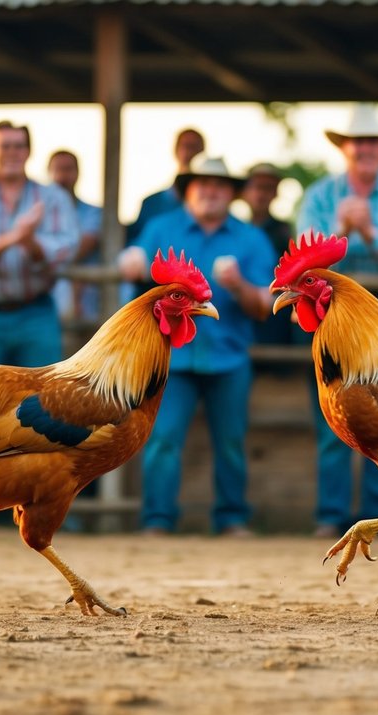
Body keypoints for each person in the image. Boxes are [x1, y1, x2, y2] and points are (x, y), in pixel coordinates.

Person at [119, 155, 275, 536]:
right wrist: (131, 260)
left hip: (229, 357)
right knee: (163, 440)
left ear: (231, 194)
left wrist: (238, 285)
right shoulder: (159, 227)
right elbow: (132, 262)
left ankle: (231, 518)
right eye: (202, 184)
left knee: (232, 442)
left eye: (219, 186)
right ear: (188, 189)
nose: (210, 191)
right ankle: (157, 520)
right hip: (170, 358)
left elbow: (266, 307)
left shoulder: (251, 238)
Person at [296, 104, 378, 538]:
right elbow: (303, 252)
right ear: (345, 148)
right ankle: (330, 514)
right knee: (333, 414)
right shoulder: (320, 196)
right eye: (359, 142)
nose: (366, 148)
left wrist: (370, 232)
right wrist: (339, 228)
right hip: (329, 313)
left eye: (374, 141)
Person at [0, 119, 78, 368]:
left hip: (36, 313)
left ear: (28, 151)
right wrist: (15, 237)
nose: (12, 153)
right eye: (5, 146)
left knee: (42, 396)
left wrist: (31, 243)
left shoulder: (52, 196)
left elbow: (66, 247)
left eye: (18, 146)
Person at [122, 128, 205, 302]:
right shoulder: (152, 205)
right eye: (186, 146)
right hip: (159, 300)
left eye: (196, 147)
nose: (190, 152)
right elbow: (137, 248)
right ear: (176, 150)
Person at [242, 162, 295, 350]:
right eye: (255, 187)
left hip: (275, 312)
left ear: (275, 193)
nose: (261, 194)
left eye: (267, 188)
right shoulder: (237, 230)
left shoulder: (284, 231)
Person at [47, 149, 102, 323]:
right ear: (49, 173)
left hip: (88, 302)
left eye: (68, 169)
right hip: (49, 301)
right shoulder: (39, 213)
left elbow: (82, 248)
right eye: (58, 169)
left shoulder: (94, 213)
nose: (63, 175)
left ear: (78, 173)